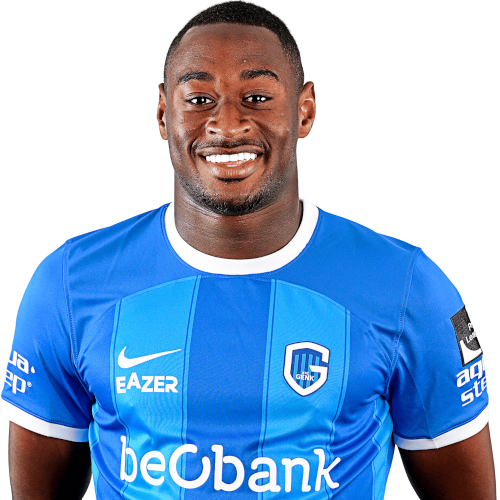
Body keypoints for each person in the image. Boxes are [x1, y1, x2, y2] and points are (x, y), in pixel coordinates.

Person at [1, 1, 495, 498]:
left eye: (256, 97)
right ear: (163, 114)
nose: (227, 125)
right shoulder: (68, 282)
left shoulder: (408, 286)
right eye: (199, 99)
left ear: (304, 110)